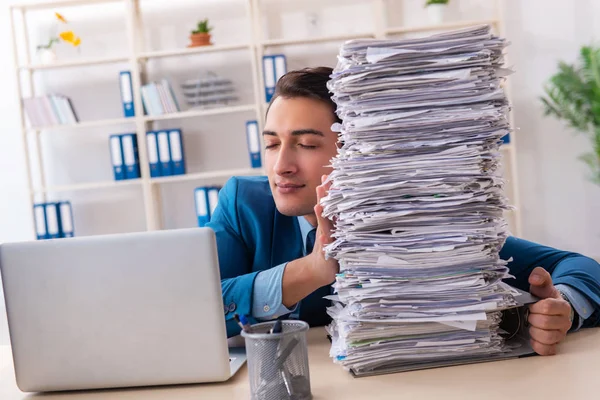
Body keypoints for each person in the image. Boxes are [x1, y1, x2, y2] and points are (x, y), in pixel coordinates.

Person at [207, 67, 600, 355]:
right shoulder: (244, 203)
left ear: (357, 153)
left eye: (307, 144)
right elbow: (200, 309)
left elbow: (580, 266)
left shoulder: (408, 217)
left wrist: (562, 306)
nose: (281, 166)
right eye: (273, 144)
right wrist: (309, 270)